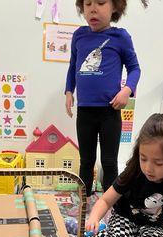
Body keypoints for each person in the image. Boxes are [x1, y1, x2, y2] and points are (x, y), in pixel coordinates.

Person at [65, 0, 141, 215]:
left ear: (115, 7)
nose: (93, 9)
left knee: (109, 161)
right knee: (86, 160)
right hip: (86, 111)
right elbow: (73, 67)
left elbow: (134, 68)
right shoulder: (79, 35)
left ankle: (110, 206)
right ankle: (84, 201)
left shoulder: (120, 37)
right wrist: (69, 91)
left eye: (100, 3)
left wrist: (127, 90)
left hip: (110, 111)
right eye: (87, 4)